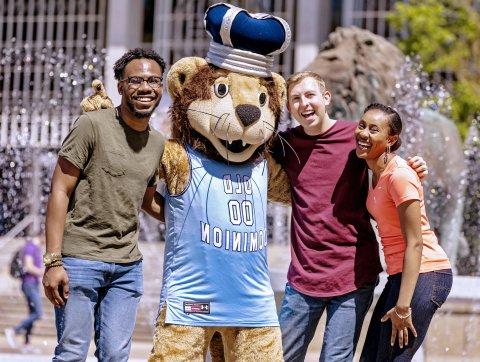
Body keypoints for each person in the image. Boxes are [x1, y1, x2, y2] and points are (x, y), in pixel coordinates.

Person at [272, 71, 428, 362]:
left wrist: (414, 165)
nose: (304, 103)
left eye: (310, 95)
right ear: (289, 106)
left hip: (353, 278)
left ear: (326, 98)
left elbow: (389, 162)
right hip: (304, 277)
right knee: (279, 357)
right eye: (296, 99)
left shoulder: (354, 138)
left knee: (336, 359)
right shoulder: (285, 144)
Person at [42, 48, 166, 361]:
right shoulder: (91, 125)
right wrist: (53, 261)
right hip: (80, 260)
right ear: (121, 86)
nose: (146, 87)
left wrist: (195, 218)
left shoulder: (157, 142)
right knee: (71, 353)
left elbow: (147, 201)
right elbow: (59, 190)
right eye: (136, 80)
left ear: (162, 88)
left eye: (154, 81)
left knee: (115, 356)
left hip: (127, 267)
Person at [355, 103, 452, 361]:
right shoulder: (373, 171)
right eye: (362, 125)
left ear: (391, 139)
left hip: (427, 272)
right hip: (400, 275)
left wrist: (403, 306)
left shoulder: (399, 176)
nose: (363, 133)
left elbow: (415, 243)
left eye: (373, 129)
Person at [4, 237, 44, 351]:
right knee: (38, 312)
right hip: (29, 284)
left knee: (33, 312)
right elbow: (28, 266)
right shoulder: (30, 246)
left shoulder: (35, 247)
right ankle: (13, 330)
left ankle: (26, 344)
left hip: (32, 284)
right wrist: (43, 272)